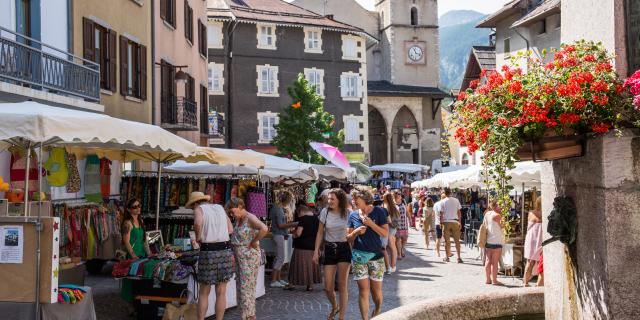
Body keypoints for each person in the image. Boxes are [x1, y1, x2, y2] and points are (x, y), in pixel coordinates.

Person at [189, 192, 235, 320]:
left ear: (195, 203)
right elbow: (231, 229)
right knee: (221, 292)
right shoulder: (219, 208)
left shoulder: (199, 209)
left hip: (208, 252)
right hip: (225, 251)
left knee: (204, 292)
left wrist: (198, 237)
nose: (193, 209)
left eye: (192, 206)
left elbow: (198, 224)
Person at [348, 187, 389, 320]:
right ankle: (365, 318)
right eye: (353, 199)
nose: (353, 201)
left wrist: (371, 224)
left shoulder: (378, 212)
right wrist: (355, 232)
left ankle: (377, 308)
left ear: (365, 199)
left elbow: (385, 233)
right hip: (359, 256)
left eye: (356, 199)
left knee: (375, 292)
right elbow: (348, 237)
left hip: (376, 256)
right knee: (363, 291)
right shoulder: (353, 215)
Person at [227, 197, 268, 320]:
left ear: (240, 206)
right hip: (241, 257)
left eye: (232, 211)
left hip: (248, 257)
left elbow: (264, 229)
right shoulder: (239, 219)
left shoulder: (250, 218)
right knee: (241, 286)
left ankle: (250, 316)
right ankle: (245, 315)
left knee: (247, 288)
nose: (231, 214)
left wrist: (254, 241)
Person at [313, 188, 352, 320]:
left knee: (342, 285)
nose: (329, 201)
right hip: (329, 248)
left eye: (332, 199)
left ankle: (341, 317)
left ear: (340, 200)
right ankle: (335, 306)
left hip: (344, 248)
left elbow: (352, 233)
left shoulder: (348, 213)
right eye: (328, 199)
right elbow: (319, 232)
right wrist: (315, 251)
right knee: (328, 286)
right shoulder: (325, 212)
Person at [120, 198, 152, 308]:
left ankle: (139, 304)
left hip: (142, 255)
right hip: (133, 256)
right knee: (131, 282)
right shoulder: (127, 223)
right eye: (134, 207)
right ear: (129, 210)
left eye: (139, 205)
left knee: (140, 281)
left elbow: (144, 240)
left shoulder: (141, 221)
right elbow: (126, 242)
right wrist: (133, 255)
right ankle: (130, 306)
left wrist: (149, 253)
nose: (138, 208)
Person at [286, 205, 321, 291]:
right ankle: (310, 285)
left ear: (301, 211)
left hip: (301, 247)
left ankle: (291, 284)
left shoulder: (303, 219)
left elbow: (298, 233)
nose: (298, 216)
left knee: (296, 265)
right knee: (310, 266)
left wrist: (293, 236)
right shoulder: (317, 219)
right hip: (313, 247)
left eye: (298, 214)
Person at [269, 191, 299, 288]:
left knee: (279, 257)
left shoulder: (277, 208)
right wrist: (294, 224)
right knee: (280, 257)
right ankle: (274, 280)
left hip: (279, 234)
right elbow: (280, 225)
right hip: (278, 234)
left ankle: (277, 279)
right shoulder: (278, 209)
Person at [438, 188, 463, 263]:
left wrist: (441, 223)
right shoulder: (456, 200)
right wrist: (460, 222)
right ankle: (459, 257)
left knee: (447, 241)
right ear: (451, 192)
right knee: (457, 241)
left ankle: (447, 257)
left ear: (444, 193)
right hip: (455, 221)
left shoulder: (442, 201)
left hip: (446, 222)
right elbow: (459, 212)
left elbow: (441, 214)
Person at [483, 201, 504, 285]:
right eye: (500, 206)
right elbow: (503, 226)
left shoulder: (487, 214)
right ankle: (494, 280)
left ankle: (488, 279)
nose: (501, 207)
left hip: (488, 240)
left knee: (488, 261)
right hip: (497, 240)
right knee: (495, 262)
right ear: (496, 206)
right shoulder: (498, 215)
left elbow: (485, 224)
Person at [523, 198, 543, 286]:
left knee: (530, 262)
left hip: (531, 238)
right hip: (539, 239)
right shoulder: (544, 213)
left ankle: (525, 283)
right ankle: (538, 285)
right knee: (540, 263)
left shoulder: (531, 212)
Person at [381, 192, 398, 273]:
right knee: (391, 247)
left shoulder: (387, 206)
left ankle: (392, 266)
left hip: (389, 228)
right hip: (393, 228)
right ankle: (392, 265)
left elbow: (387, 219)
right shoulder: (394, 206)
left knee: (390, 247)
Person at [393, 191, 409, 259]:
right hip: (397, 224)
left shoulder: (403, 202)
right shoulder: (393, 204)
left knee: (405, 238)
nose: (399, 195)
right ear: (395, 195)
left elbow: (407, 212)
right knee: (398, 239)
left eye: (400, 194)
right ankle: (399, 254)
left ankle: (402, 249)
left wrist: (410, 219)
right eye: (397, 194)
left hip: (404, 223)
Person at [432, 193, 445, 257]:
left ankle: (438, 252)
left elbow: (433, 214)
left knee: (438, 238)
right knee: (444, 238)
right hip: (443, 223)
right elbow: (441, 213)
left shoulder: (436, 204)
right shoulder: (443, 204)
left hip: (437, 223)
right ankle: (446, 253)